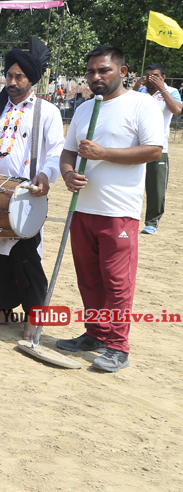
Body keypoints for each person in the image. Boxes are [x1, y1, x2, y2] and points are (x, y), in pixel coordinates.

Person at [57, 46, 164, 372]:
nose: (96, 77)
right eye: (91, 71)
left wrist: (103, 153)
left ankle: (118, 346)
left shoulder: (141, 104)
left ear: (123, 71)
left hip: (119, 211)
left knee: (117, 283)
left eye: (103, 70)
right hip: (82, 209)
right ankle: (95, 333)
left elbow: (153, 151)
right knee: (89, 279)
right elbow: (68, 152)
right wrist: (68, 174)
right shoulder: (84, 109)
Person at [0, 38, 63, 339]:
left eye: (19, 76)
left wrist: (45, 175)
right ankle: (6, 312)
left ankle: (33, 318)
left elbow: (56, 151)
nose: (11, 82)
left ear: (31, 79)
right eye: (9, 75)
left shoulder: (47, 111)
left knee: (26, 260)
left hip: (26, 196)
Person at [137, 64, 181, 234]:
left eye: (154, 76)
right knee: (131, 183)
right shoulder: (140, 92)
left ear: (163, 77)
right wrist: (135, 87)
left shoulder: (171, 91)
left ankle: (152, 222)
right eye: (147, 76)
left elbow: (177, 110)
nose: (150, 79)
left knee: (156, 187)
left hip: (158, 147)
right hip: (136, 147)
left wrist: (162, 89)